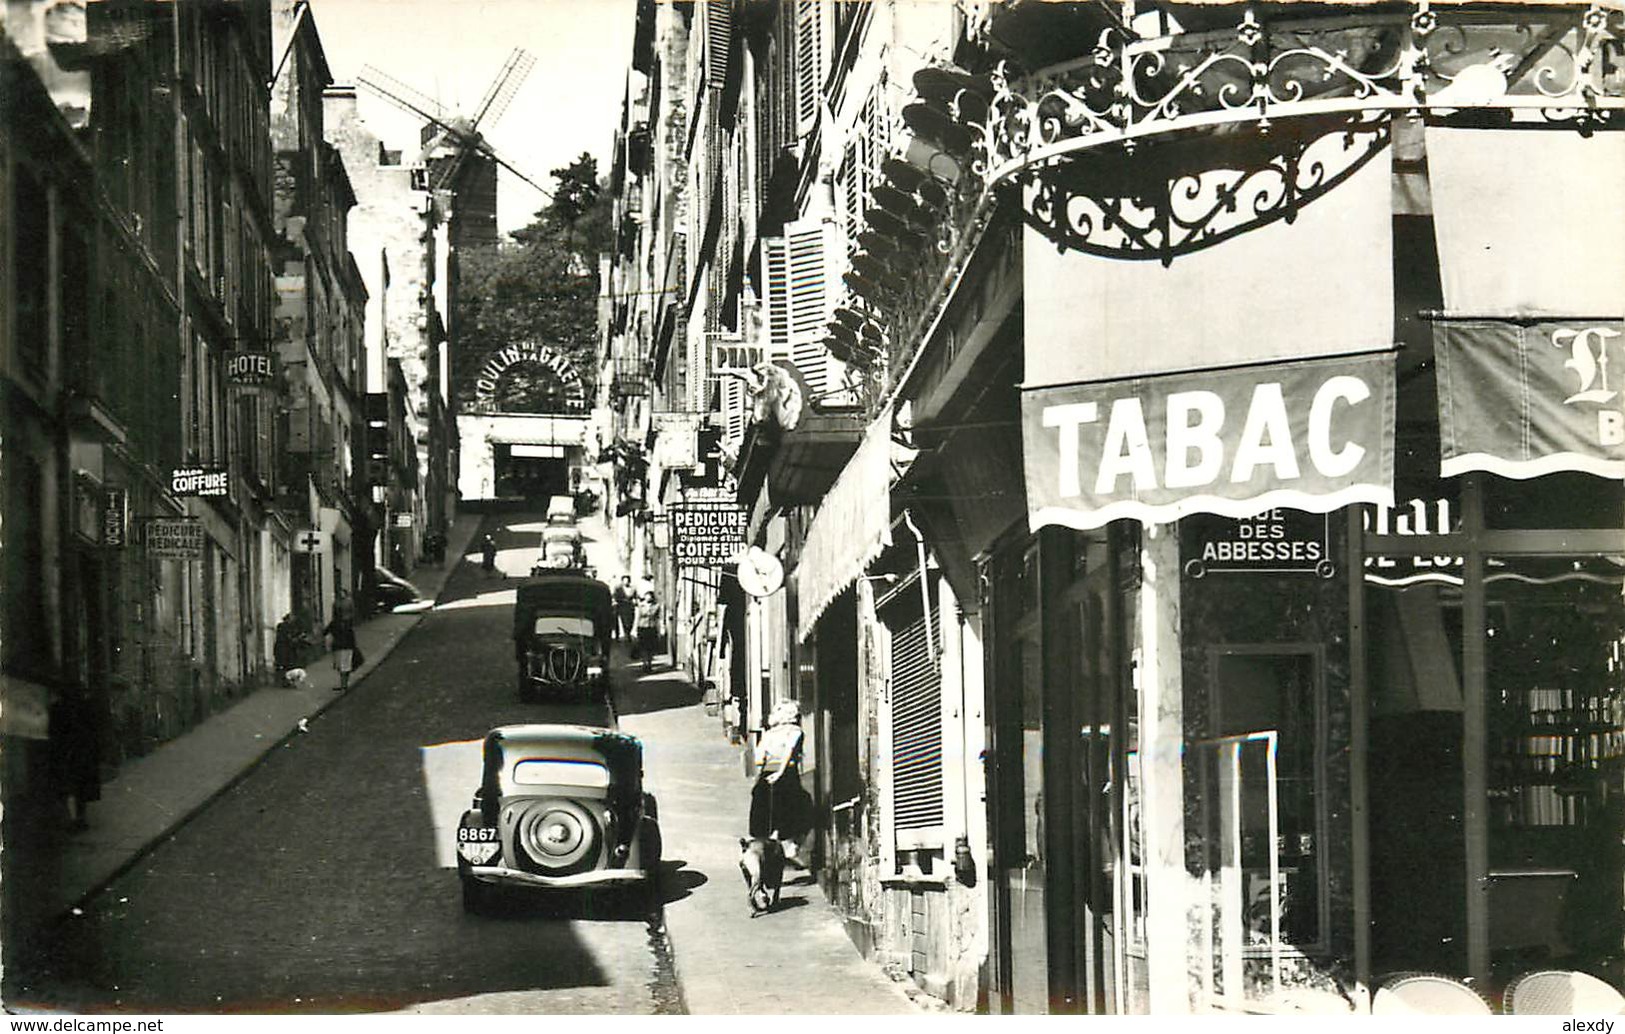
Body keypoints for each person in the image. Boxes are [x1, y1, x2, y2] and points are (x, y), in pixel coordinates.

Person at [749, 701, 810, 864]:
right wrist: (780, 772)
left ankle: (771, 849)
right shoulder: (795, 732)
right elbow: (789, 752)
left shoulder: (769, 734)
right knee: (803, 807)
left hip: (766, 774)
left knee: (769, 813)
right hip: (786, 774)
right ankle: (790, 848)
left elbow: (758, 759)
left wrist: (764, 773)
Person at [49, 688, 102, 831]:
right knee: (80, 790)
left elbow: (54, 732)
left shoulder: (58, 709)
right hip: (82, 754)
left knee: (68, 789)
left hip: (66, 754)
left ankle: (71, 820)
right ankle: (80, 818)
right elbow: (94, 730)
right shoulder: (85, 707)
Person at [324, 592, 359, 692]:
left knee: (341, 666)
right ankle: (344, 684)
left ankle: (343, 685)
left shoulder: (335, 623)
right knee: (346, 666)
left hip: (339, 647)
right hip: (347, 646)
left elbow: (325, 632)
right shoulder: (348, 624)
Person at [634, 590, 662, 673]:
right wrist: (634, 629)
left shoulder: (657, 606)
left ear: (652, 598)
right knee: (643, 647)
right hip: (642, 627)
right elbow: (637, 617)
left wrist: (660, 629)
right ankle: (644, 663)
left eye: (650, 596)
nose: (648, 598)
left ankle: (649, 664)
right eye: (646, 596)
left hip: (652, 628)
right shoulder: (641, 606)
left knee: (650, 647)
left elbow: (658, 618)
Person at [612, 576, 637, 643]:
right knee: (624, 621)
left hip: (630, 606)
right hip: (621, 606)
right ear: (622, 581)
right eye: (624, 580)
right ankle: (626, 634)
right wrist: (616, 602)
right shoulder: (618, 588)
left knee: (631, 620)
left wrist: (635, 601)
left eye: (627, 580)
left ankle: (628, 632)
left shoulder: (633, 588)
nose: (626, 582)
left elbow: (635, 597)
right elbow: (614, 596)